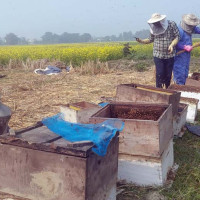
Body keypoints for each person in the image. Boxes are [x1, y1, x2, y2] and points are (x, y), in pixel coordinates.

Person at [136, 13, 180, 88]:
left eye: (157, 22)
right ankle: (158, 91)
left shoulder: (171, 24)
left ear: (161, 20)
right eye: (154, 23)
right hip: (158, 54)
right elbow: (150, 39)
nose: (155, 24)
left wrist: (172, 45)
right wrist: (141, 41)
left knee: (168, 74)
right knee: (160, 73)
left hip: (169, 55)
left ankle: (167, 90)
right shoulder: (153, 28)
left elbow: (177, 37)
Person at [173, 14, 200, 85]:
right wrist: (184, 47)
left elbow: (197, 29)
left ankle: (184, 86)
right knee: (180, 72)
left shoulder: (191, 28)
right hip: (179, 54)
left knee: (185, 71)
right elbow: (174, 43)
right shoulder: (179, 30)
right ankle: (179, 88)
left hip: (186, 55)